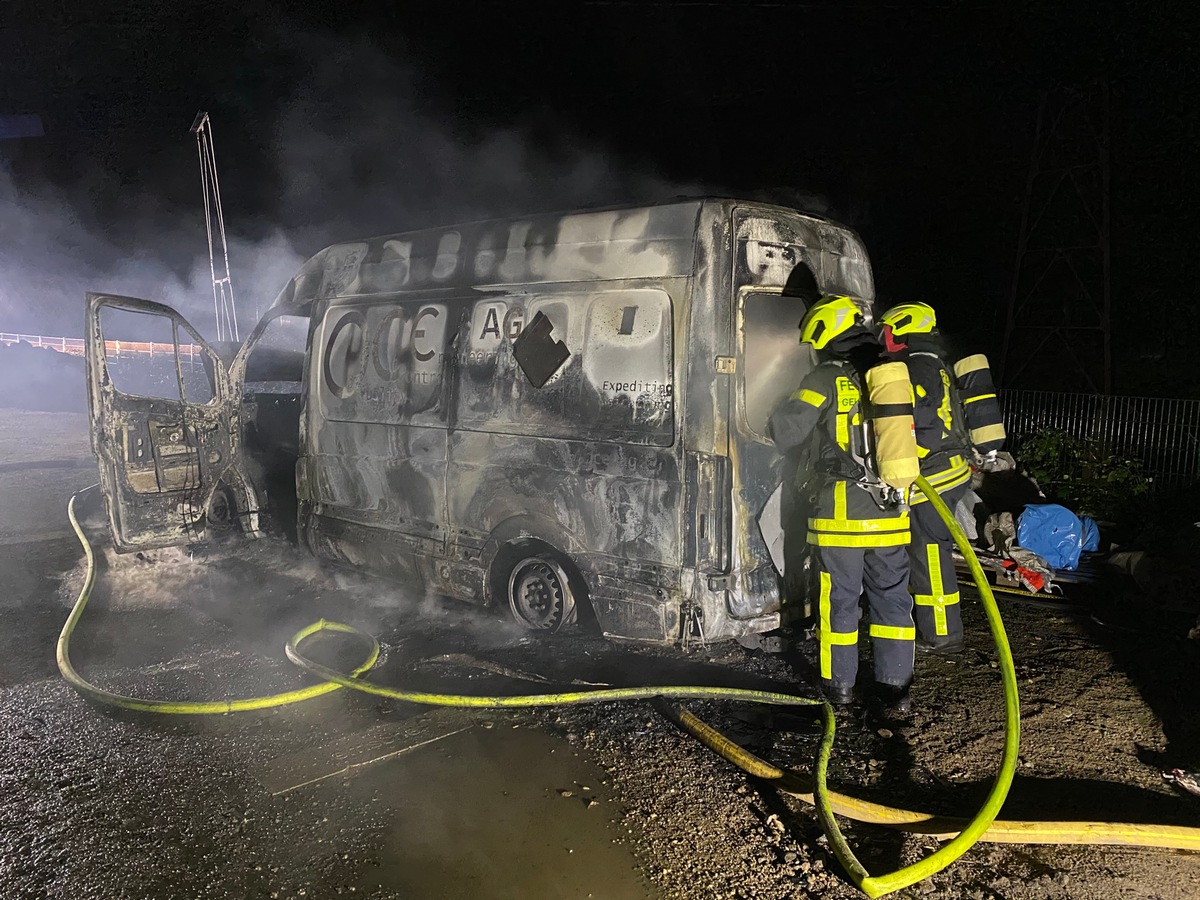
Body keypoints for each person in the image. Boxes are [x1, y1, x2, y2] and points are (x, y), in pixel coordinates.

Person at [768, 294, 916, 712]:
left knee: (840, 603)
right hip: (891, 510)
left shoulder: (825, 378)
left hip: (842, 515)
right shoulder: (891, 375)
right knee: (892, 599)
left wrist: (780, 406)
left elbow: (787, 432)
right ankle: (895, 692)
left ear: (825, 332)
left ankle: (839, 688)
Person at [878, 302, 972, 654]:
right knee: (934, 552)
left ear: (902, 329)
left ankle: (942, 634)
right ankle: (940, 628)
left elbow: (909, 422)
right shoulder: (934, 363)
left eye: (886, 331)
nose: (883, 338)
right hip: (949, 469)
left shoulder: (914, 368)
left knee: (930, 554)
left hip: (934, 474)